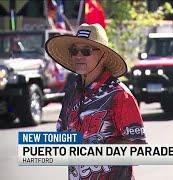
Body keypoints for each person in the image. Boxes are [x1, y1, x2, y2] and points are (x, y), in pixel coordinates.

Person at [45, 23, 146, 180]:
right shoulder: (71, 93)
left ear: (103, 55)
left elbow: (139, 149)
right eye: (74, 51)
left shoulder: (119, 94)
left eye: (86, 51)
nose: (78, 56)